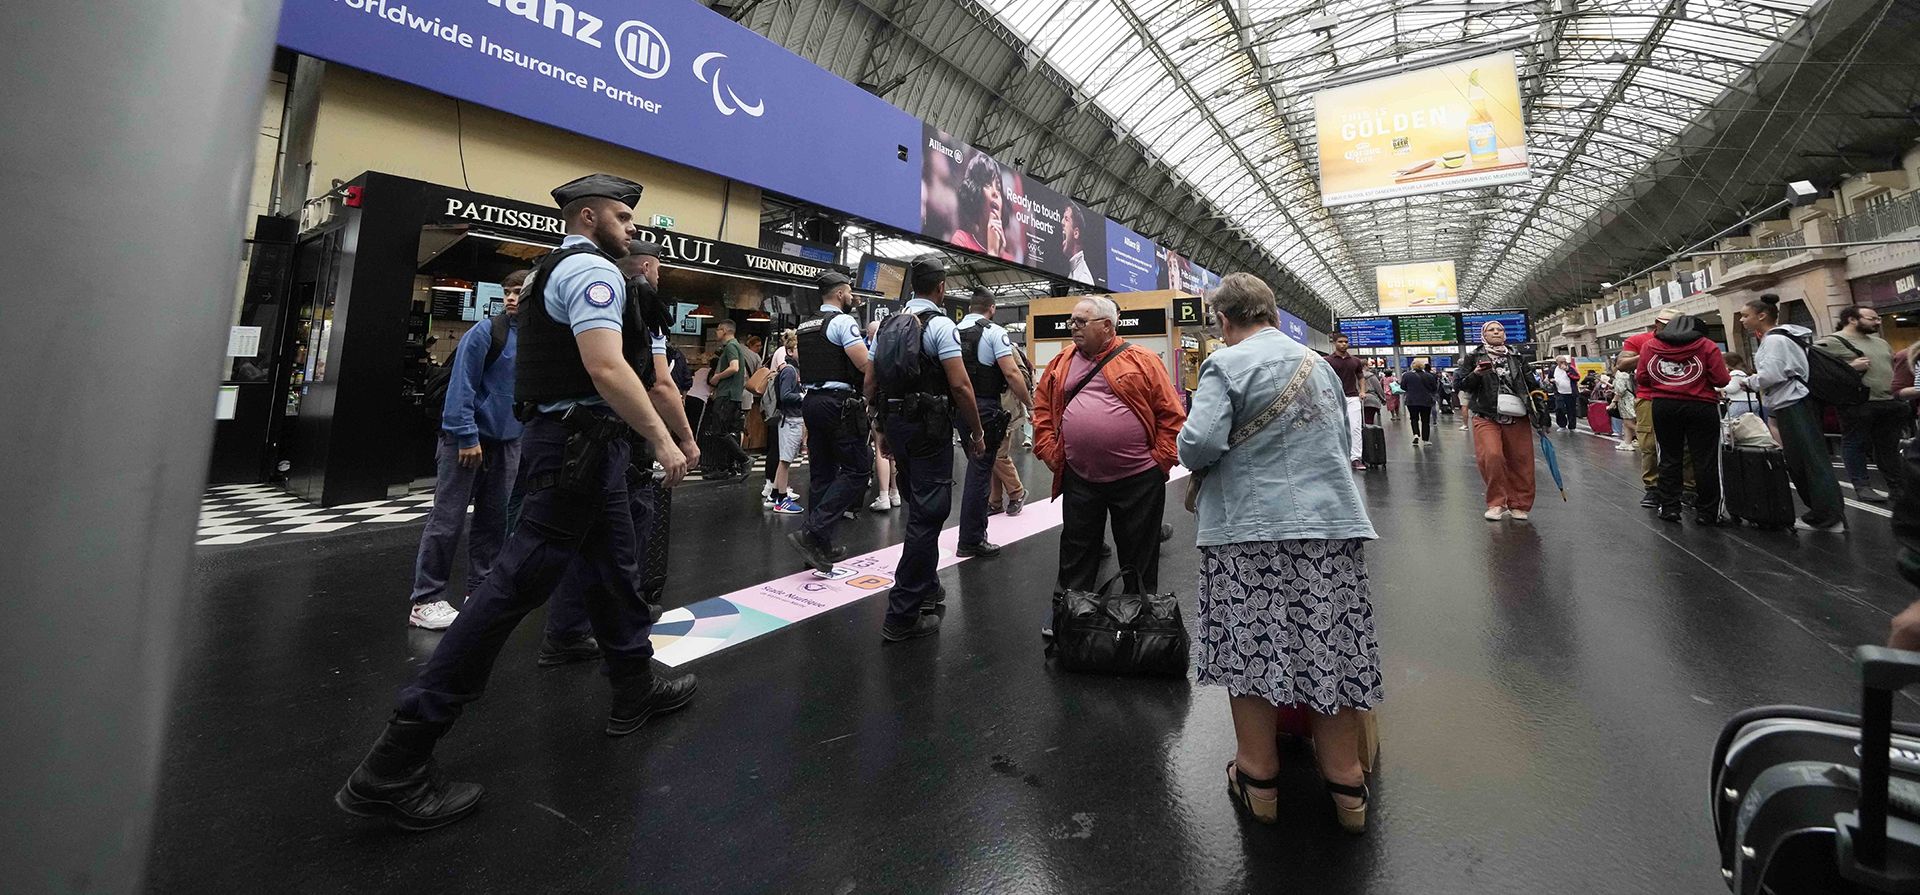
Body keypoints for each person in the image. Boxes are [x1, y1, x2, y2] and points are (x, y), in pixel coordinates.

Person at [336, 174, 695, 831]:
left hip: (577, 448)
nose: (633, 226)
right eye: (623, 215)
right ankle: (397, 757)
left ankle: (633, 686)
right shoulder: (594, 273)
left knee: (616, 568)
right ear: (589, 216)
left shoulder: (543, 274)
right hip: (581, 451)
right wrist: (665, 440)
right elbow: (607, 367)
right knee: (510, 586)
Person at [1177, 273, 1381, 833]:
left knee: (1252, 649)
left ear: (1224, 319)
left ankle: (1259, 778)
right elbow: (1339, 444)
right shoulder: (1319, 366)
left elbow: (1198, 444)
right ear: (1271, 312)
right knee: (1328, 645)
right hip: (1329, 528)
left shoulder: (1226, 364)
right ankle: (1346, 784)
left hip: (1250, 529)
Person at [862, 256, 985, 641]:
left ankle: (928, 589)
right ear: (942, 287)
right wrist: (977, 431)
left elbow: (871, 381)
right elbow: (961, 386)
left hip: (896, 421)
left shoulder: (886, 326)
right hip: (929, 426)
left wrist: (879, 425)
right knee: (929, 514)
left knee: (919, 507)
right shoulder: (941, 326)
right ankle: (902, 613)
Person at [1034, 295, 1187, 595]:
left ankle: (1140, 617)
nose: (1072, 327)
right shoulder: (1061, 361)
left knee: (1138, 556)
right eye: (1071, 321)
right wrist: (1050, 451)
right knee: (1076, 551)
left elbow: (1171, 415)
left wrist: (1160, 461)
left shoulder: (1142, 360)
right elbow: (1041, 406)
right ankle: (1071, 615)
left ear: (1107, 326)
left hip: (1138, 479)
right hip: (1080, 477)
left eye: (1081, 322)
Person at [407, 270, 527, 632]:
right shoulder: (486, 332)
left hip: (507, 442)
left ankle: (481, 590)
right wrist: (466, 436)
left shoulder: (536, 339)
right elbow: (462, 386)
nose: (510, 298)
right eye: (506, 291)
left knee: (495, 521)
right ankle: (425, 599)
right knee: (448, 520)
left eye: (518, 292)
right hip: (467, 441)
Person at [610, 238, 699, 625]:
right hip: (624, 438)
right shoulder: (645, 307)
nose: (659, 277)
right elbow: (660, 385)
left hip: (570, 434)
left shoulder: (591, 295)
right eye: (660, 270)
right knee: (631, 526)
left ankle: (569, 629)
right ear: (647, 268)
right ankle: (627, 610)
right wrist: (683, 437)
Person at [1739, 293, 1846, 532]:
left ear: (1762, 315)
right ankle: (1827, 513)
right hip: (1793, 401)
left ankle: (1827, 517)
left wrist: (1751, 382)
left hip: (1793, 402)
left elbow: (1773, 374)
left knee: (1808, 459)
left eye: (1746, 316)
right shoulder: (1785, 336)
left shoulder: (1775, 340)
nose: (1742, 320)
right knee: (1806, 458)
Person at [787, 271, 874, 566]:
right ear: (839, 294)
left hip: (811, 401)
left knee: (822, 473)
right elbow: (863, 363)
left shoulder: (806, 325)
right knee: (858, 469)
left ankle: (819, 546)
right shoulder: (843, 322)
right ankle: (812, 533)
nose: (852, 297)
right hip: (838, 403)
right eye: (849, 292)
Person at [953, 286, 1030, 554]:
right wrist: (1030, 404)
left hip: (958, 407)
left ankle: (991, 508)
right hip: (986, 406)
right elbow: (1011, 374)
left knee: (978, 467)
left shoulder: (953, 331)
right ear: (992, 308)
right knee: (979, 473)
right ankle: (971, 539)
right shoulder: (993, 332)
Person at [1635, 314, 1731, 524]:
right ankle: (1708, 512)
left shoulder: (1650, 346)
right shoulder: (1707, 345)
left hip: (1664, 406)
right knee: (1706, 459)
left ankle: (1669, 507)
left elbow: (1642, 377)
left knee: (1669, 458)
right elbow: (1721, 379)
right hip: (1701, 406)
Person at [1457, 320, 1543, 521]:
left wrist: (1540, 407)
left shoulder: (1517, 356)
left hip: (1517, 414)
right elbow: (1460, 385)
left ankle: (1519, 504)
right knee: (1492, 456)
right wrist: (1477, 374)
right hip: (1487, 413)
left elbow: (1531, 383)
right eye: (1491, 330)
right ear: (1484, 335)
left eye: (1500, 329)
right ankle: (1497, 502)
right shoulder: (1473, 357)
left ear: (1505, 335)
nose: (1496, 332)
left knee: (1521, 460)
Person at [1818, 305, 1904, 503]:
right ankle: (1862, 486)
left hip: (1888, 401)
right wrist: (1850, 367)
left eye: (1878, 318)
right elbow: (1819, 371)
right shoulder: (1832, 342)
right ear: (1852, 319)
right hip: (1856, 403)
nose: (1878, 321)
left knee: (1888, 446)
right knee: (1855, 443)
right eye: (1872, 318)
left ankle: (1896, 486)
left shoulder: (1880, 342)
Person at [1619, 310, 1685, 507]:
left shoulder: (1690, 340)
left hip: (1683, 396)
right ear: (1658, 323)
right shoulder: (1640, 340)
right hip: (1649, 396)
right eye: (1668, 323)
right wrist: (1650, 352)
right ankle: (1653, 487)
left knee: (1686, 444)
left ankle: (1689, 487)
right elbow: (1621, 364)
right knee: (1649, 444)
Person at [701, 319, 750, 479]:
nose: (716, 333)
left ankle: (743, 459)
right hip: (732, 395)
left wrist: (717, 377)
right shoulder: (734, 346)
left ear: (725, 330)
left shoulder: (731, 346)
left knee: (719, 431)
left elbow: (734, 367)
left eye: (718, 330)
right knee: (727, 431)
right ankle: (725, 467)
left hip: (727, 395)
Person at [990, 346, 1035, 515]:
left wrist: (1029, 404)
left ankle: (1017, 491)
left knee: (997, 454)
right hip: (994, 407)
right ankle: (994, 501)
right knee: (993, 454)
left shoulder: (1005, 347)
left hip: (1004, 407)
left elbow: (1019, 376)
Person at [761, 330, 802, 508]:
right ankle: (782, 499)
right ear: (790, 350)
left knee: (784, 458)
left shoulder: (790, 370)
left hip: (789, 419)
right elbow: (786, 395)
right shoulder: (789, 371)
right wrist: (802, 396)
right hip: (790, 419)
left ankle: (775, 493)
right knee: (785, 460)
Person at [864, 318, 902, 511]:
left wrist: (869, 403)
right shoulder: (898, 349)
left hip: (880, 404)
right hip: (897, 404)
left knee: (880, 447)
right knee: (894, 450)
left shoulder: (874, 351)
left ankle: (883, 496)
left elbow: (869, 381)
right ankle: (895, 493)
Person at [950, 153, 1007, 257]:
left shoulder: (1010, 258)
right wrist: (993, 253)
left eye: (998, 187)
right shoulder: (961, 241)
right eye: (987, 184)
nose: (995, 193)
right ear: (976, 194)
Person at [1325, 335, 1367, 469]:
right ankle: (1336, 457)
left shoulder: (1355, 361)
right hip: (1334, 398)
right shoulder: (1327, 361)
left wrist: (1362, 391)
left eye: (1346, 342)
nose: (1343, 344)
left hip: (1352, 397)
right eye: (1340, 342)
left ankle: (1355, 458)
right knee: (1334, 427)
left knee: (1355, 428)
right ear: (1334, 343)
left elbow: (1361, 377)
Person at [1400, 359, 1439, 446]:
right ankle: (1425, 440)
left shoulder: (1406, 375)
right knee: (1425, 420)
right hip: (1426, 401)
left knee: (1414, 418)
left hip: (1411, 401)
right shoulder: (1429, 376)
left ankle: (1416, 434)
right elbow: (1434, 388)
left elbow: (1402, 387)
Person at [1721, 353, 1761, 420]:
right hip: (1752, 402)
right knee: (1754, 424)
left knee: (1729, 424)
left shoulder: (1736, 373)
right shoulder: (1745, 372)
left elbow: (1732, 388)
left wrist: (1719, 388)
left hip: (1740, 402)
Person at [1612, 354, 1638, 451]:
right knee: (1627, 423)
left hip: (1626, 401)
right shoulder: (1630, 372)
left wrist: (1613, 401)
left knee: (1628, 422)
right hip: (1632, 399)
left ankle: (1644, 437)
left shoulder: (1620, 373)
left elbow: (1620, 390)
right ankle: (1627, 442)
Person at [1549, 355, 1579, 431]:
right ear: (1557, 362)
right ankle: (1562, 425)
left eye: (1564, 361)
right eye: (1561, 362)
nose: (1563, 363)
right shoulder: (1553, 369)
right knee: (1559, 408)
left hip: (1570, 392)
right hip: (1559, 392)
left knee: (1571, 410)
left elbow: (1577, 377)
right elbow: (1550, 377)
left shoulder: (1570, 368)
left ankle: (1572, 426)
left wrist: (1567, 371)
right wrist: (1551, 380)